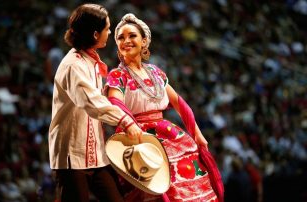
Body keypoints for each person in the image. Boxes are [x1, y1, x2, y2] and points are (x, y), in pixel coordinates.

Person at [105, 13, 223, 201]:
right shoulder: (118, 75)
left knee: (190, 164)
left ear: (144, 41)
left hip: (164, 132)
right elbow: (114, 102)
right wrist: (130, 125)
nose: (126, 40)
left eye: (132, 36)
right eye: (121, 37)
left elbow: (179, 103)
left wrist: (197, 134)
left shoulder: (155, 72)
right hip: (135, 136)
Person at [48, 4, 142, 202]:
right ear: (94, 34)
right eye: (107, 29)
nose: (110, 33)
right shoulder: (74, 65)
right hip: (71, 156)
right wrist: (126, 120)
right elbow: (92, 103)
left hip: (96, 154)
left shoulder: (91, 61)